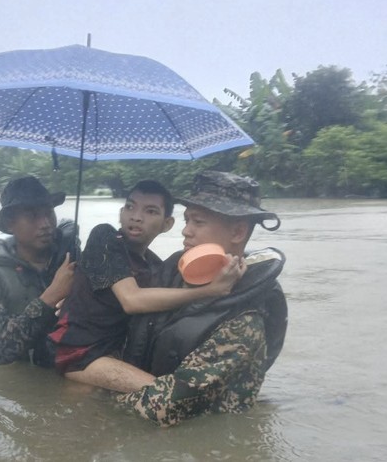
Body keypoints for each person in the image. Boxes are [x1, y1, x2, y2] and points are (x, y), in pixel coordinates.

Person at [119, 170, 288, 426]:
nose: (186, 231)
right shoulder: (174, 273)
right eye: (186, 220)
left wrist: (98, 387)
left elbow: (166, 408)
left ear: (238, 232)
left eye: (198, 222)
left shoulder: (245, 320)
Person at [48, 180, 245, 393]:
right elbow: (131, 300)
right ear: (121, 212)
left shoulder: (155, 265)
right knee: (165, 395)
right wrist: (209, 291)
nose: (136, 216)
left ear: (167, 224)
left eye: (150, 211)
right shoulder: (104, 238)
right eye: (130, 207)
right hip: (80, 354)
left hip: (118, 353)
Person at [0, 176, 80, 367]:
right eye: (32, 216)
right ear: (10, 224)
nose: (45, 223)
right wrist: (50, 297)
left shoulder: (74, 260)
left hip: (78, 364)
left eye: (49, 212)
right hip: (33, 375)